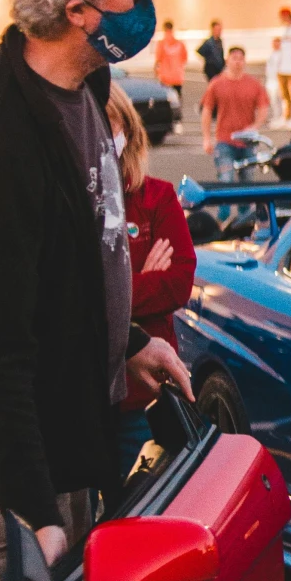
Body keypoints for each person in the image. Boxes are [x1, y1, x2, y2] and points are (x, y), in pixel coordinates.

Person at [0, 0, 193, 565]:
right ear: (80, 10)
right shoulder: (10, 135)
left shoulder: (90, 87)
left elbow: (76, 264)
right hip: (34, 466)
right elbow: (5, 340)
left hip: (86, 427)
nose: (143, 6)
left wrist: (129, 342)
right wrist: (35, 503)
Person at [107, 84, 197, 480]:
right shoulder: (68, 203)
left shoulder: (156, 197)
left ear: (128, 130)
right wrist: (141, 281)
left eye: (108, 126)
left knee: (143, 518)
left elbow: (178, 282)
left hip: (142, 398)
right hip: (77, 402)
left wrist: (114, 288)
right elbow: (63, 291)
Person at [200, 44, 270, 181]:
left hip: (247, 141)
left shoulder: (254, 84)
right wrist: (207, 138)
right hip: (225, 140)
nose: (237, 62)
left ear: (244, 61)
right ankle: (224, 203)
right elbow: (207, 111)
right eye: (234, 58)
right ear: (228, 60)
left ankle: (246, 203)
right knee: (226, 179)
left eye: (240, 59)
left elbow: (263, 108)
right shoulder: (217, 83)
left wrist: (255, 126)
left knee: (247, 182)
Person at [196, 18, 225, 83]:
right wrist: (209, 58)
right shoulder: (209, 42)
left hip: (218, 67)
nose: (219, 31)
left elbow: (220, 54)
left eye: (220, 30)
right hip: (211, 68)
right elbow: (200, 51)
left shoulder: (219, 41)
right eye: (217, 30)